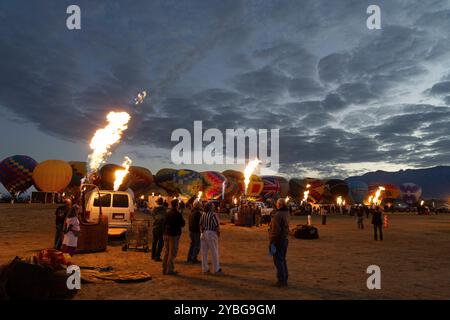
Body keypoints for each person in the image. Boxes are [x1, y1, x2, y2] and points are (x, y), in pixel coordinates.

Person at [269, 198, 290, 287]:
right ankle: (285, 278)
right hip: (285, 239)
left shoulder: (277, 216)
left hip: (278, 240)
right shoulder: (287, 213)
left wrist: (272, 241)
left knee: (278, 260)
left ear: (280, 205)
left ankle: (281, 280)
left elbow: (276, 230)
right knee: (282, 259)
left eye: (277, 204)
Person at [162, 199, 185, 275]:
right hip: (173, 235)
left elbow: (164, 223)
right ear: (177, 205)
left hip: (166, 234)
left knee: (166, 251)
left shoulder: (167, 213)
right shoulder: (177, 214)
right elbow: (182, 224)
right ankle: (170, 269)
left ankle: (164, 268)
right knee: (172, 252)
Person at [200, 201, 222, 274]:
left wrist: (202, 231)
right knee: (214, 251)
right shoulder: (213, 214)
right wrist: (218, 233)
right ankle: (216, 268)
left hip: (204, 233)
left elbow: (200, 224)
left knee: (204, 252)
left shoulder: (203, 214)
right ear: (210, 207)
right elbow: (216, 225)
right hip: (211, 233)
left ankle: (205, 269)